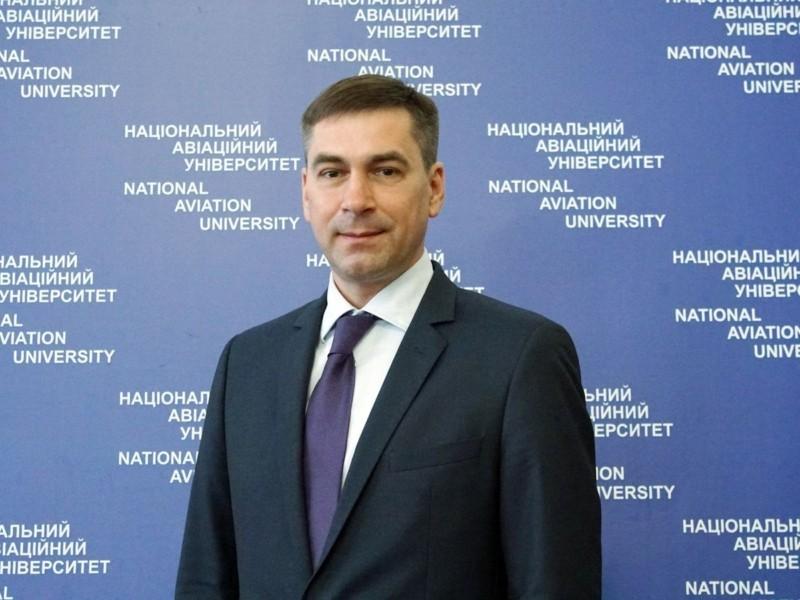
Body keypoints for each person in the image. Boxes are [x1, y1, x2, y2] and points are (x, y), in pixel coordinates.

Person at [175, 75, 601, 599]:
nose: (356, 199)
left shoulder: (519, 357)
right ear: (306, 192)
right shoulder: (247, 362)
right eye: (333, 172)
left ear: (434, 188)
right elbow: (205, 577)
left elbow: (554, 583)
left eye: (385, 170)